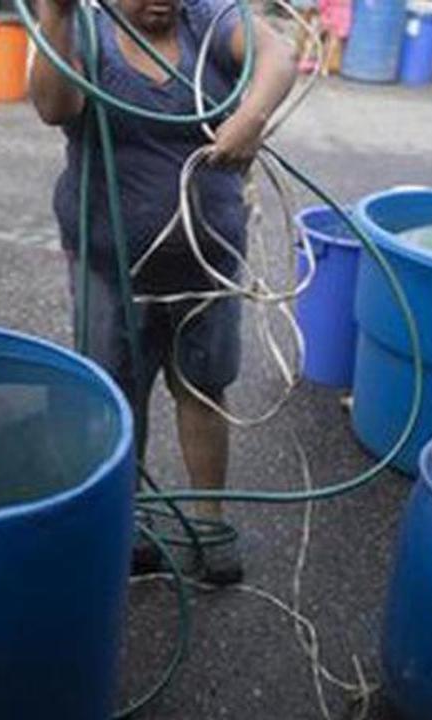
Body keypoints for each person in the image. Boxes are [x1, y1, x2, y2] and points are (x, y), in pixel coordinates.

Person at [30, 0, 296, 584]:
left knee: (203, 389)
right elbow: (54, 106)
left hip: (208, 262)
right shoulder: (86, 34)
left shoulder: (207, 19)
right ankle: (130, 521)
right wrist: (54, 18)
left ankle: (208, 523)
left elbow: (280, 53)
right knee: (120, 399)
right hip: (111, 264)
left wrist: (250, 117)